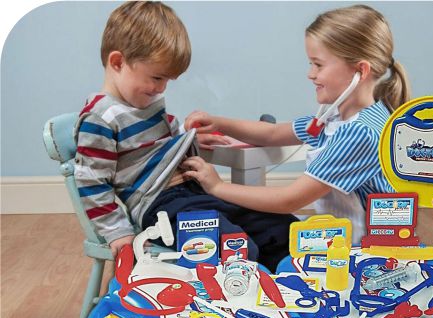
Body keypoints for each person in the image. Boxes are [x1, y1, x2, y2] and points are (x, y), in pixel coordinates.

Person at [74, 1, 297, 272]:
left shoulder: (146, 102)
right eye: (157, 78)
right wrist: (117, 232)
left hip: (194, 191)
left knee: (280, 227)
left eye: (167, 80)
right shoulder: (100, 118)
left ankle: (289, 283)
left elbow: (158, 145)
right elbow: (91, 182)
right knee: (234, 246)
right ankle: (243, 286)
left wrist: (188, 140)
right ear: (118, 62)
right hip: (160, 205)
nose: (161, 88)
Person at [182, 5, 410, 244]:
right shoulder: (334, 117)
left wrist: (217, 187)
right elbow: (272, 133)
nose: (310, 74)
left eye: (318, 65)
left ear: (360, 71)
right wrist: (217, 122)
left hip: (367, 251)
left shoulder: (360, 132)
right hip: (340, 239)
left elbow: (290, 200)